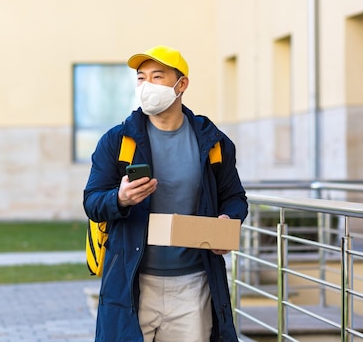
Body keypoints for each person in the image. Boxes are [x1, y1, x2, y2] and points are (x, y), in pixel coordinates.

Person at [83, 45, 248, 342]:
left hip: (193, 285)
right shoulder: (117, 141)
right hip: (132, 285)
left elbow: (235, 197)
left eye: (157, 77)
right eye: (141, 78)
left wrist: (228, 219)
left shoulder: (214, 143)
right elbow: (92, 202)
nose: (146, 86)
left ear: (181, 84)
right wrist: (119, 198)